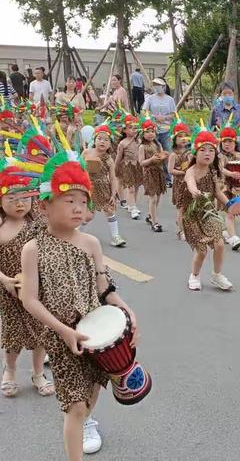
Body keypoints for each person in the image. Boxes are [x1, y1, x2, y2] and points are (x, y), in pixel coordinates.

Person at [20, 148, 139, 460]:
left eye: (82, 201)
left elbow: (104, 288)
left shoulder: (91, 243)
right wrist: (63, 331)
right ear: (44, 205)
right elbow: (29, 298)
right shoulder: (32, 248)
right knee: (75, 405)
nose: (77, 208)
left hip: (94, 334)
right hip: (62, 340)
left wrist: (125, 310)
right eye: (68, 200)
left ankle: (87, 421)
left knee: (92, 392)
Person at [0, 167, 55, 399]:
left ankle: (38, 373)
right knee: (13, 336)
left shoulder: (39, 224)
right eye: (12, 198)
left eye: (24, 198)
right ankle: (10, 372)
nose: (19, 203)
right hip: (9, 291)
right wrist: (4, 280)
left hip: (37, 290)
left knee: (40, 332)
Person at [177, 124, 240, 291]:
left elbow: (217, 192)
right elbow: (190, 184)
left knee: (220, 244)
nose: (208, 154)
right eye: (203, 150)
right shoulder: (190, 171)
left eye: (211, 150)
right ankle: (195, 275)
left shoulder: (212, 172)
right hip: (192, 215)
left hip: (208, 212)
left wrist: (230, 204)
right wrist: (194, 191)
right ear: (195, 152)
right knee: (202, 250)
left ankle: (217, 275)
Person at [82, 124, 127, 247]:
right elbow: (78, 167)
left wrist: (113, 193)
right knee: (88, 216)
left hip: (103, 187)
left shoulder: (109, 159)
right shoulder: (86, 152)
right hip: (88, 187)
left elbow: (113, 178)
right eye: (100, 138)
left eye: (106, 140)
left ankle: (116, 237)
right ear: (94, 140)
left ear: (110, 144)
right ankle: (77, 234)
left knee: (110, 211)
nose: (102, 141)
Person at [218, 120, 240, 251]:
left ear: (235, 142)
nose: (227, 144)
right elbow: (221, 169)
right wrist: (231, 174)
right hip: (223, 188)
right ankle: (233, 238)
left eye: (230, 141)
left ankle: (226, 232)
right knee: (229, 213)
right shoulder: (220, 156)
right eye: (224, 142)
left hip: (237, 189)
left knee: (231, 213)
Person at [142, 77, 176, 186]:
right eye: (155, 85)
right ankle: (154, 178)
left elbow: (173, 114)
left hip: (166, 129)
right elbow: (144, 111)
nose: (157, 87)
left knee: (167, 153)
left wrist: (165, 118)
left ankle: (168, 179)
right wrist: (154, 116)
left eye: (159, 85)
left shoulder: (170, 99)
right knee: (154, 153)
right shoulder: (150, 98)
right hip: (154, 130)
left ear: (164, 86)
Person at [138, 115, 168, 233]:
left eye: (152, 131)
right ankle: (155, 222)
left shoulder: (158, 145)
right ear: (143, 133)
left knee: (158, 197)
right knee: (153, 198)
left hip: (159, 173)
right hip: (149, 173)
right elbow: (141, 162)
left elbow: (162, 158)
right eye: (147, 132)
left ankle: (151, 215)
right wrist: (151, 160)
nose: (150, 134)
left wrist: (164, 157)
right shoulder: (142, 147)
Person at [209, 81, 240, 154]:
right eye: (224, 94)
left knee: (238, 163)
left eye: (230, 93)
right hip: (222, 146)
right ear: (220, 95)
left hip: (239, 145)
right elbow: (211, 127)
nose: (227, 96)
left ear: (233, 94)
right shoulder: (216, 110)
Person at [115, 114, 143, 220]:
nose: (134, 130)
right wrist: (116, 169)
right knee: (130, 189)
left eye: (135, 128)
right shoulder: (122, 143)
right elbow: (118, 158)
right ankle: (133, 207)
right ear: (124, 130)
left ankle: (132, 205)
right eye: (131, 128)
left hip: (138, 166)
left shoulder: (139, 141)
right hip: (127, 167)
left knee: (136, 187)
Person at [167, 117, 191, 241]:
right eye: (179, 136)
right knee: (181, 208)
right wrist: (182, 172)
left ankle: (183, 225)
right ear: (174, 140)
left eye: (185, 136)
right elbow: (170, 170)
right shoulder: (173, 155)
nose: (183, 138)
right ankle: (181, 230)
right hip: (179, 183)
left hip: (190, 184)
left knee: (188, 208)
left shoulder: (190, 153)